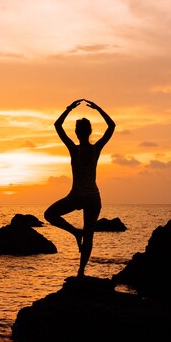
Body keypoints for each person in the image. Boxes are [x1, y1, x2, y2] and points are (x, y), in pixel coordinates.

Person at [44, 99, 115, 278]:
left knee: (50, 215)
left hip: (77, 197)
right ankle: (81, 272)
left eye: (77, 130)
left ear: (77, 133)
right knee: (89, 236)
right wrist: (98, 108)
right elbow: (111, 126)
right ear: (90, 132)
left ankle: (76, 232)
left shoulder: (73, 149)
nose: (77, 132)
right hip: (92, 197)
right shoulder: (96, 148)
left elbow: (57, 125)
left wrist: (69, 108)